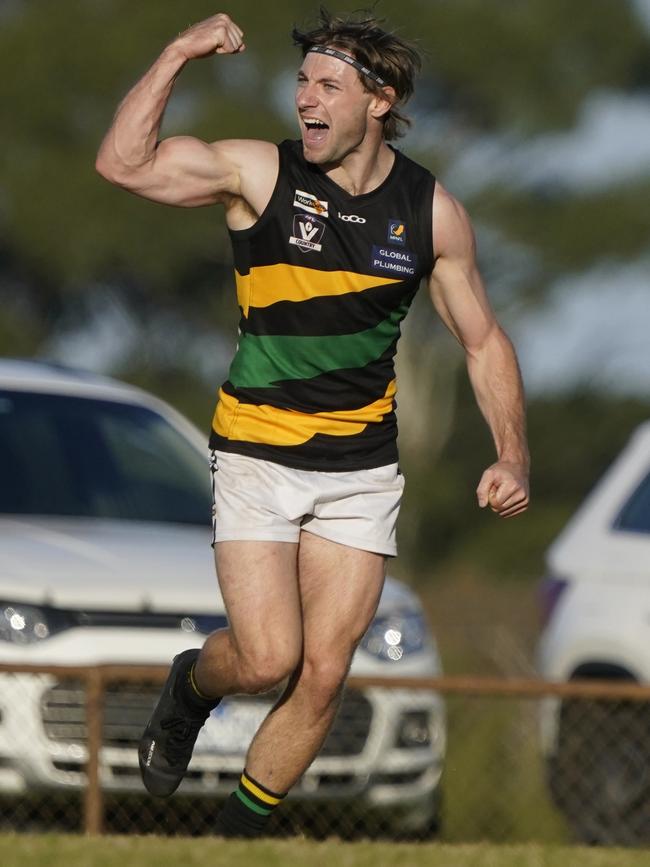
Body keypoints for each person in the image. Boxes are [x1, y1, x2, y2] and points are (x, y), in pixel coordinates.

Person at [96, 8, 530, 837]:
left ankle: (231, 843)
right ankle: (192, 685)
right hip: (257, 452)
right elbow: (122, 164)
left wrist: (512, 453)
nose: (306, 99)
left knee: (325, 675)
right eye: (301, 82)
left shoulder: (431, 211)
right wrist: (179, 51)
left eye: (328, 85)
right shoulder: (261, 173)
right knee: (266, 659)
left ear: (381, 100)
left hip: (360, 469)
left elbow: (483, 341)